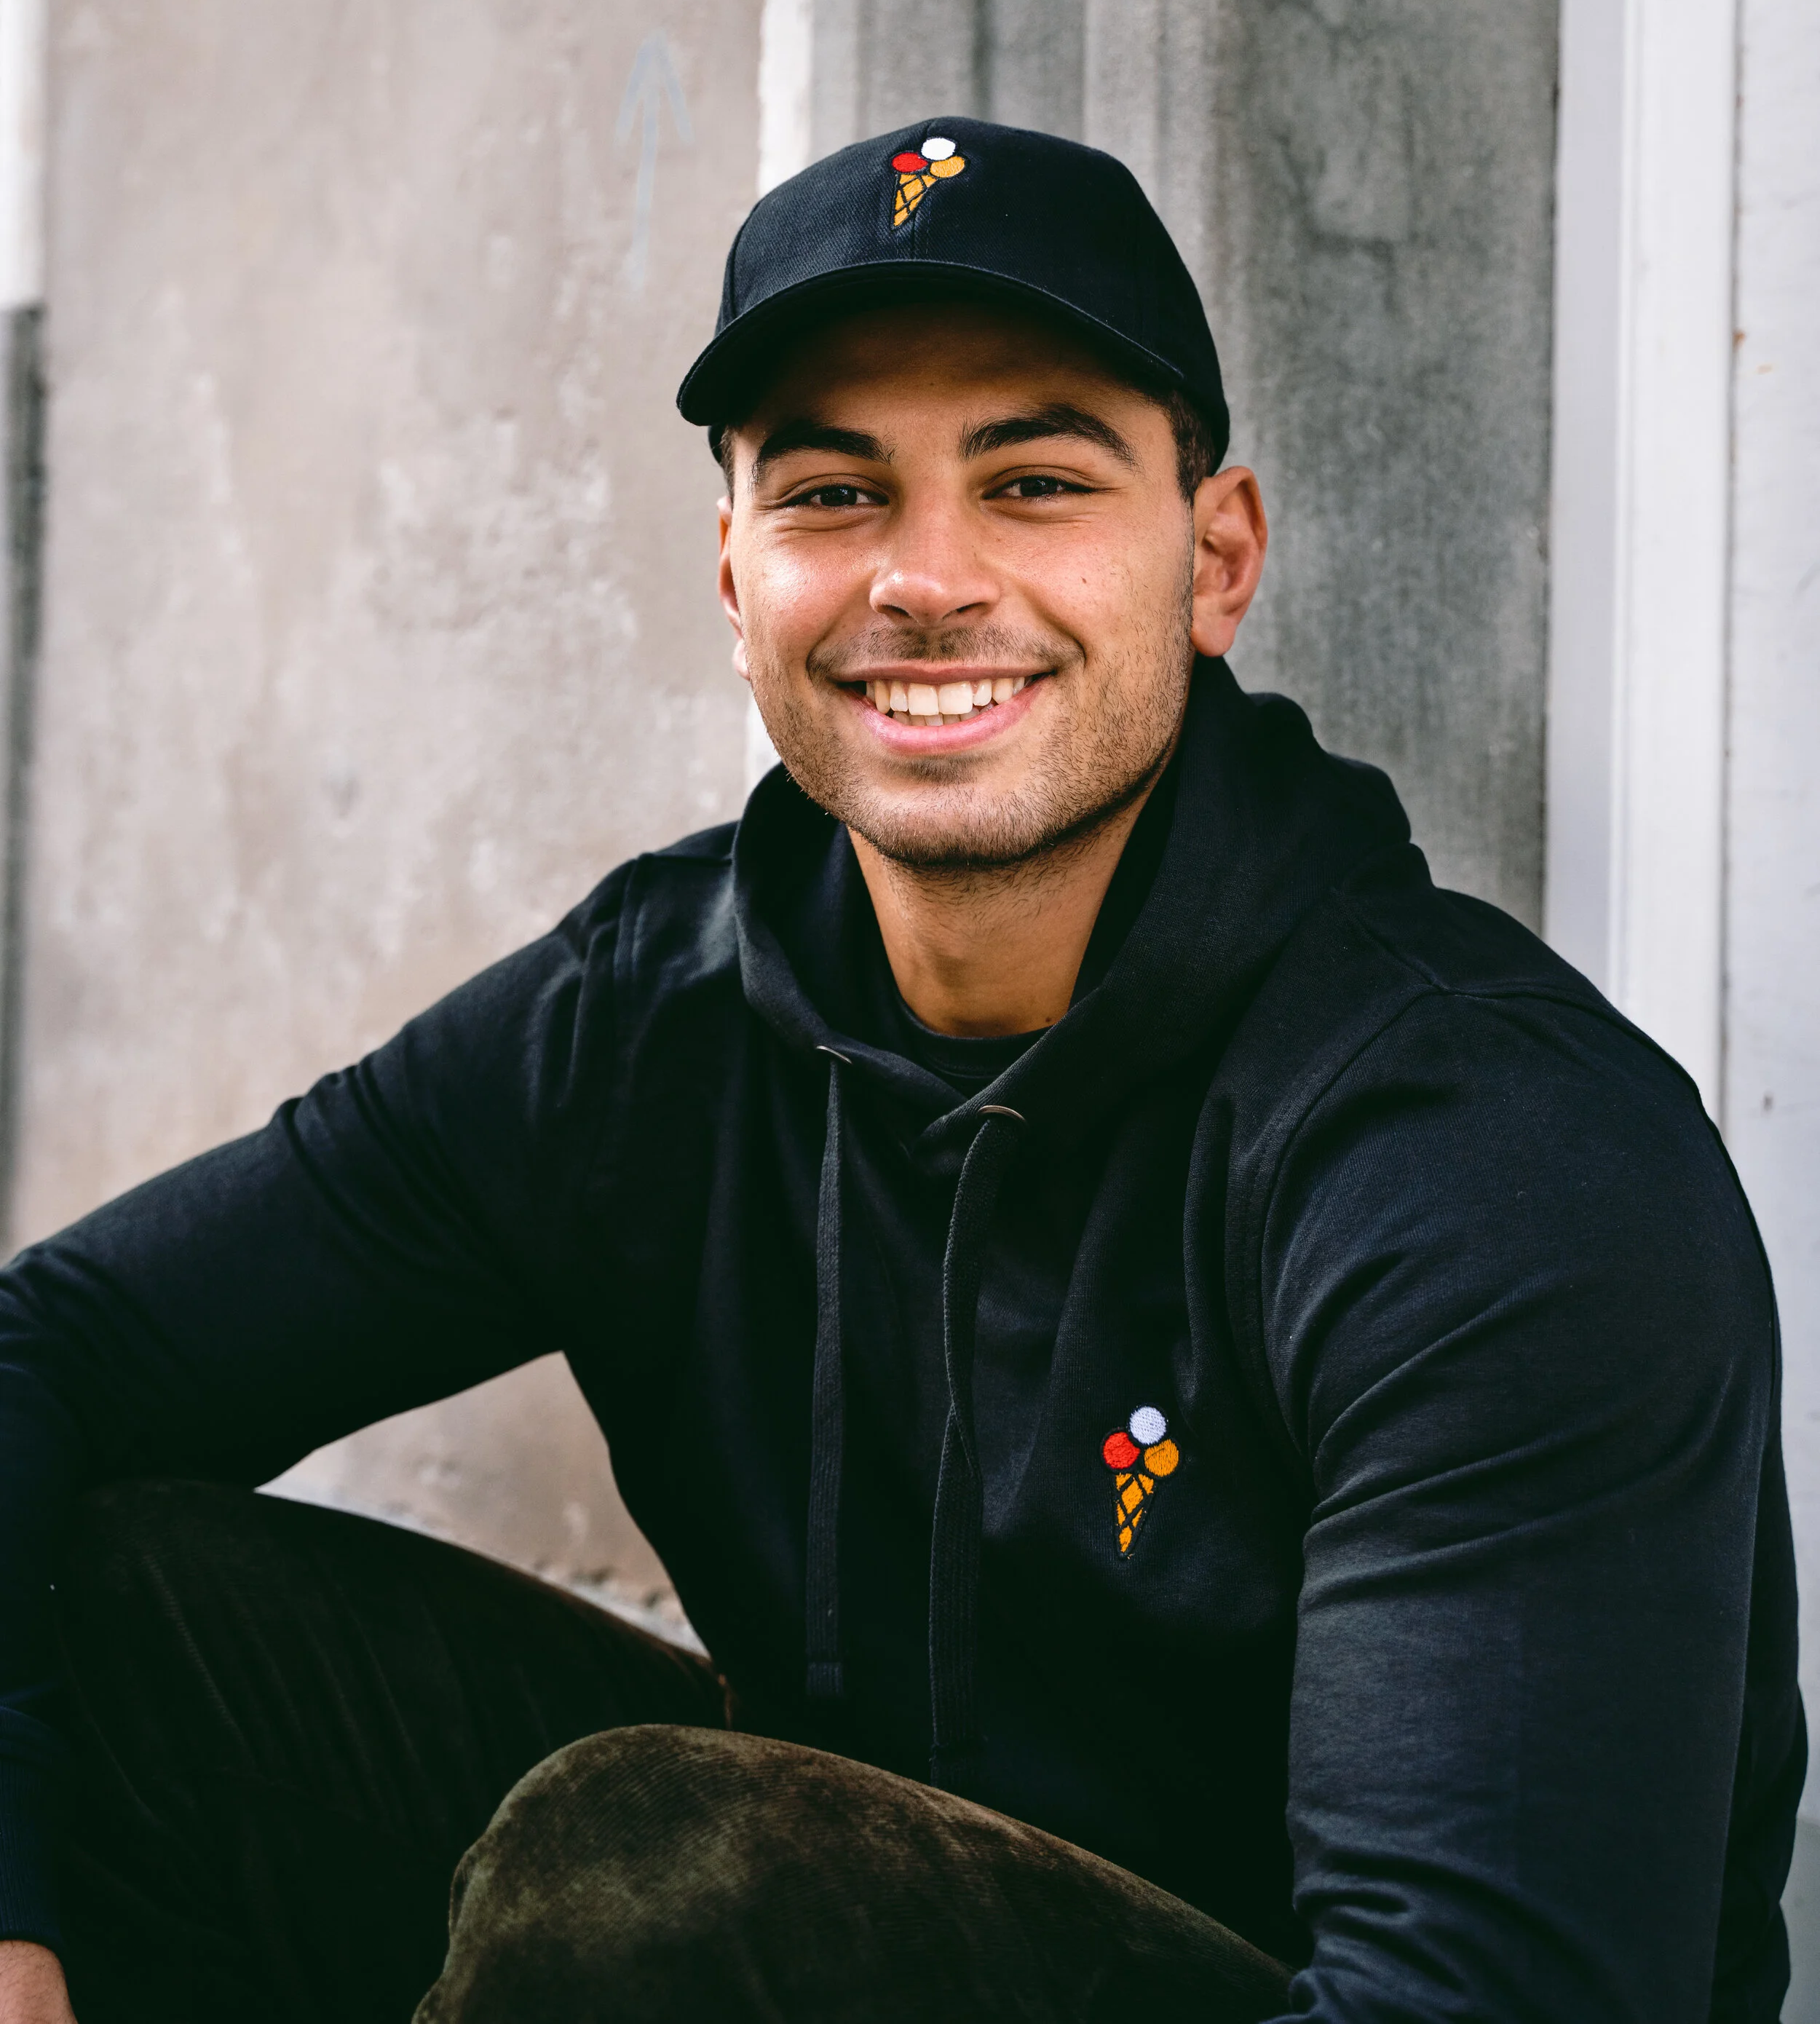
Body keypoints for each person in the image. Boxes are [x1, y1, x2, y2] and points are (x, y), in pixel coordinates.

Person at [0, 119, 1800, 2024]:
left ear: (1213, 558)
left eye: (1031, 479)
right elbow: (53, 1354)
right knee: (129, 1611)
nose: (926, 579)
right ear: (732, 569)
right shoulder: (650, 1015)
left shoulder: (1481, 1155)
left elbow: (1483, 2001)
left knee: (664, 1888)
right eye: (835, 492)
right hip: (841, 1923)